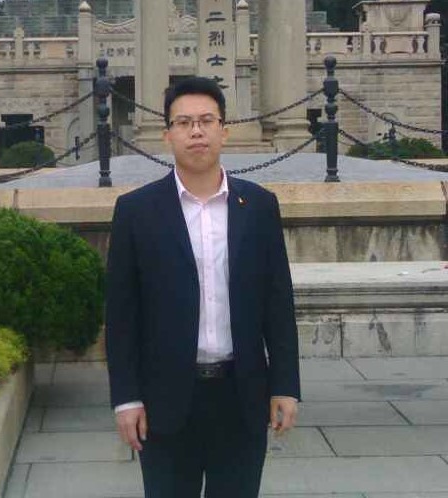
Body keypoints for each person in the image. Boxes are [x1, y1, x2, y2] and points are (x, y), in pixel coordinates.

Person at [105, 77, 300, 498]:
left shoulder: (258, 205)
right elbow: (121, 315)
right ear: (168, 135)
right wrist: (126, 399)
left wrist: (285, 385)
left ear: (223, 131)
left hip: (241, 396)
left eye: (207, 120)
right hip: (165, 400)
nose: (196, 131)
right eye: (184, 122)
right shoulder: (136, 211)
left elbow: (277, 302)